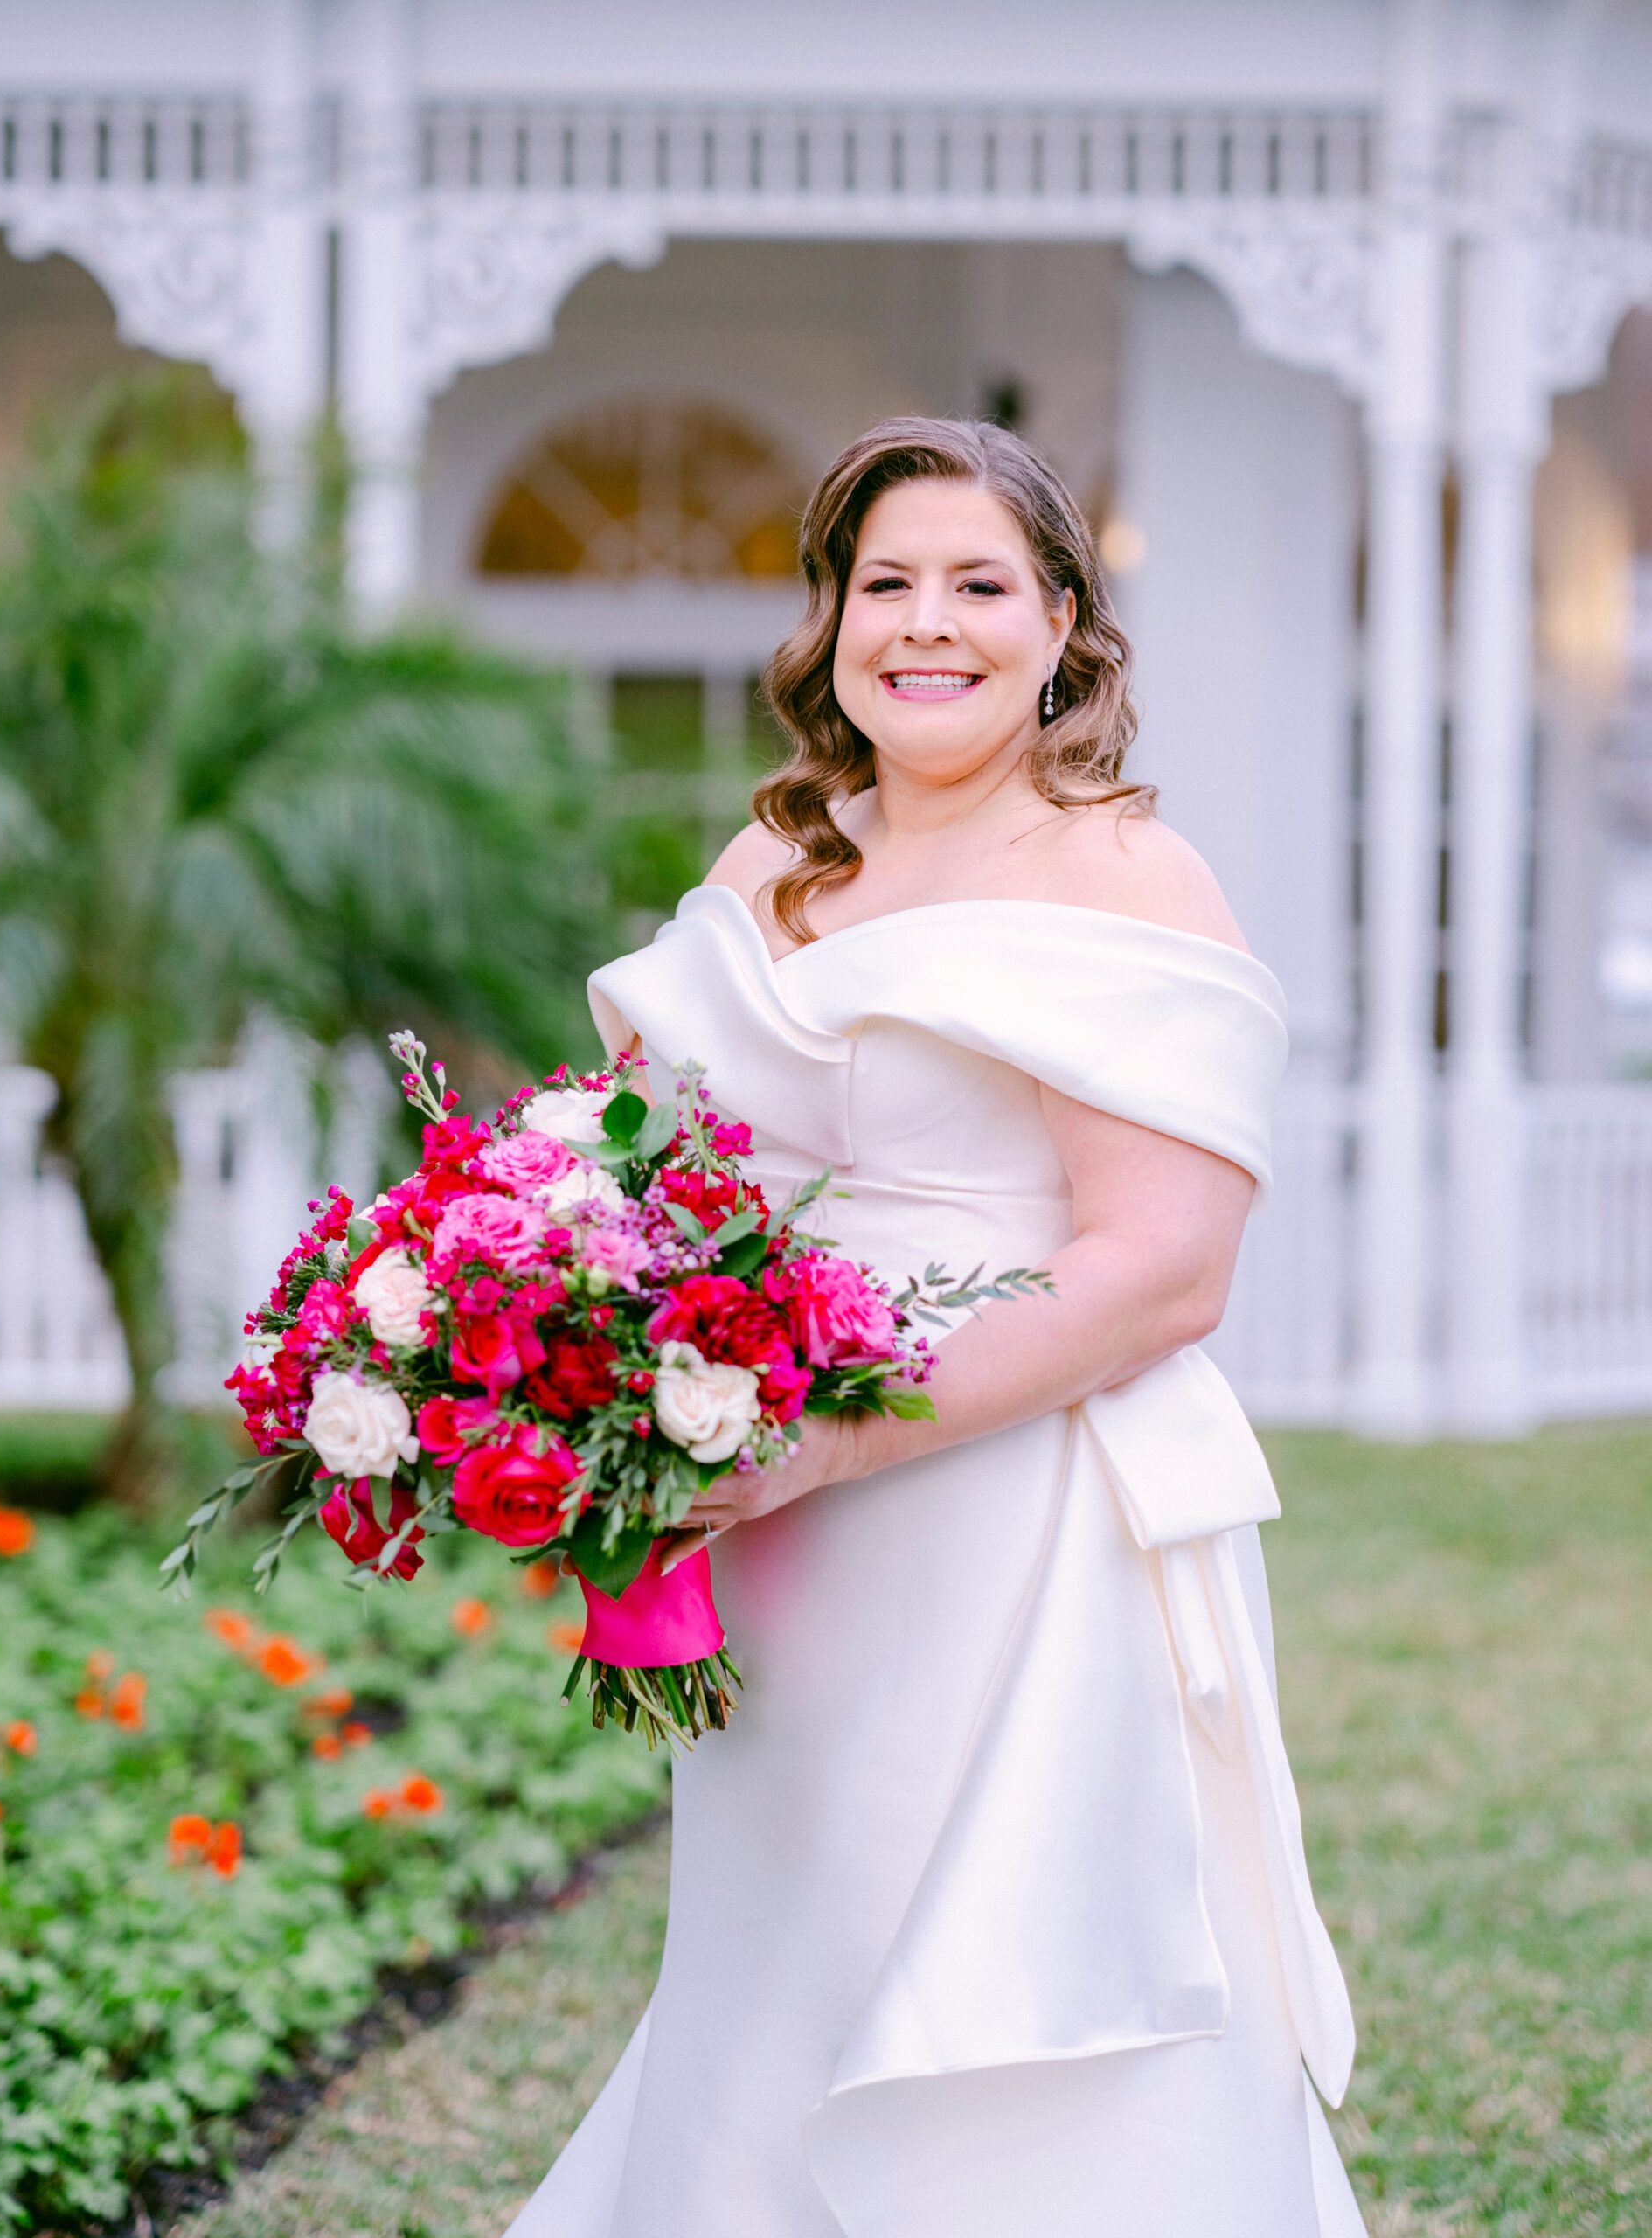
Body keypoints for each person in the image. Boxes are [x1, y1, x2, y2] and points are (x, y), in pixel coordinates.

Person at [506, 416, 1366, 2237]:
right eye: (884, 581)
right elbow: (661, 1172)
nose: (928, 623)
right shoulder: (772, 863)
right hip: (782, 1531)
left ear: (1063, 623)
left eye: (980, 582)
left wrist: (831, 1435)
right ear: (829, 623)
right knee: (779, 1961)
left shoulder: (1128, 878)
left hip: (1018, 1526)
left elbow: (1158, 1269)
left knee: (1012, 1977)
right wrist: (570, 1363)